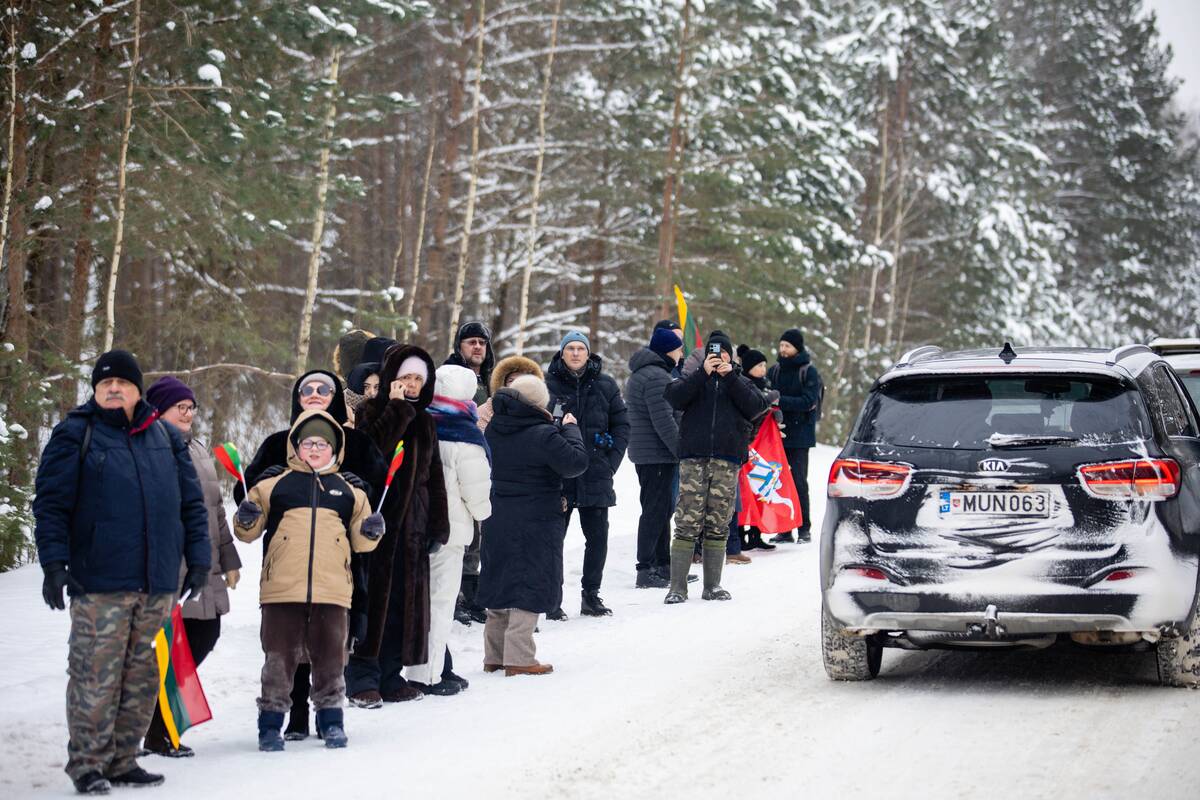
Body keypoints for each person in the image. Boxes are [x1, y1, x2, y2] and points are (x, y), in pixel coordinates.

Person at [33, 350, 210, 794]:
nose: (113, 389)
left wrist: (200, 558)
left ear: (137, 390)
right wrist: (54, 564)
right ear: (95, 390)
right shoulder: (76, 433)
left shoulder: (165, 439)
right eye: (104, 384)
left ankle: (123, 760)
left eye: (122, 383)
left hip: (156, 581)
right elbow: (51, 505)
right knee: (96, 673)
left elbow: (191, 505)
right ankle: (88, 765)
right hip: (99, 583)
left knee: (142, 674)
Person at [236, 369, 388, 740]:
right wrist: (260, 482)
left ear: (337, 396)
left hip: (343, 560)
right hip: (290, 560)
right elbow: (248, 493)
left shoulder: (358, 443)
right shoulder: (277, 443)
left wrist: (363, 488)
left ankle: (330, 712)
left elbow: (381, 492)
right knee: (287, 642)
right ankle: (295, 714)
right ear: (297, 397)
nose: (316, 393)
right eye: (308, 389)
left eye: (325, 388)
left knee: (330, 641)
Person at [141, 377, 242, 758]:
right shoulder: (150, 449)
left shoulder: (199, 449)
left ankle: (158, 726)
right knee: (166, 650)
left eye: (190, 406)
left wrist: (230, 560)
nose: (188, 412)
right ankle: (156, 730)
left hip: (206, 566)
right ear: (158, 411)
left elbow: (215, 511)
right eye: (178, 406)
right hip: (169, 570)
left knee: (203, 636)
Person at [348, 345, 450, 706]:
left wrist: (439, 525)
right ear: (393, 378)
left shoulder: (426, 421)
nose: (411, 384)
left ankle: (391, 674)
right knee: (375, 602)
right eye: (406, 377)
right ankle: (362, 676)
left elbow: (434, 476)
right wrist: (396, 410)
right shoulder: (370, 411)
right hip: (377, 525)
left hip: (414, 529)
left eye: (418, 379)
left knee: (404, 605)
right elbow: (370, 454)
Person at [476, 375, 588, 675]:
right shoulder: (543, 434)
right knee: (529, 580)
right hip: (536, 517)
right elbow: (576, 462)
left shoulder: (494, 429)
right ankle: (520, 657)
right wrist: (571, 429)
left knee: (500, 577)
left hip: (498, 514)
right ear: (539, 403)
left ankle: (494, 655)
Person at [404, 364, 492, 695]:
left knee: (418, 601)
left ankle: (423, 668)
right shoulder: (465, 436)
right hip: (451, 532)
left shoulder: (421, 423)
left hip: (417, 526)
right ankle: (426, 675)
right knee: (439, 604)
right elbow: (478, 493)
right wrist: (483, 513)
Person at [663, 332, 769, 603]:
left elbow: (757, 406)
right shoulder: (694, 378)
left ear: (730, 356)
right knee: (687, 520)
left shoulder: (740, 381)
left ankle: (713, 586)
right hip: (693, 457)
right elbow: (674, 397)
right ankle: (677, 588)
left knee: (719, 521)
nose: (718, 357)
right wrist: (703, 374)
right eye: (714, 351)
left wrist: (730, 376)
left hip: (727, 459)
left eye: (723, 352)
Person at [545, 331, 630, 618]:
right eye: (570, 348)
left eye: (581, 348)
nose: (576, 353)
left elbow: (622, 425)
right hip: (560, 476)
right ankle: (552, 600)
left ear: (588, 353)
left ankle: (591, 595)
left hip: (596, 473)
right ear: (562, 352)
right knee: (554, 540)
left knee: (597, 539)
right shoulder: (548, 384)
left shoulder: (605, 385)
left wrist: (611, 462)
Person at [625, 326, 684, 588]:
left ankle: (663, 565)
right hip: (656, 454)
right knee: (655, 510)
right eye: (678, 349)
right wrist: (681, 451)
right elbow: (664, 421)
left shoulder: (648, 373)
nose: (681, 354)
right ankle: (646, 568)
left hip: (651, 452)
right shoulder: (657, 377)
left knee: (661, 509)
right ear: (668, 350)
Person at [769, 329, 823, 544]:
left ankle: (803, 528)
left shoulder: (808, 371)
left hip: (800, 436)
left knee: (799, 481)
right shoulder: (774, 370)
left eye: (787, 346)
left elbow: (809, 401)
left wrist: (779, 401)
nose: (783, 350)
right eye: (781, 345)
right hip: (776, 434)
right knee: (779, 482)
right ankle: (784, 529)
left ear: (797, 348)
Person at [477, 355, 543, 431]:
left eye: (521, 379)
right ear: (503, 384)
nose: (516, 384)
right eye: (511, 380)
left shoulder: (538, 411)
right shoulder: (485, 411)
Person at [444, 321, 495, 404]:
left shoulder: (494, 381)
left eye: (482, 343)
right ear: (459, 347)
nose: (478, 346)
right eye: (472, 342)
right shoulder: (447, 378)